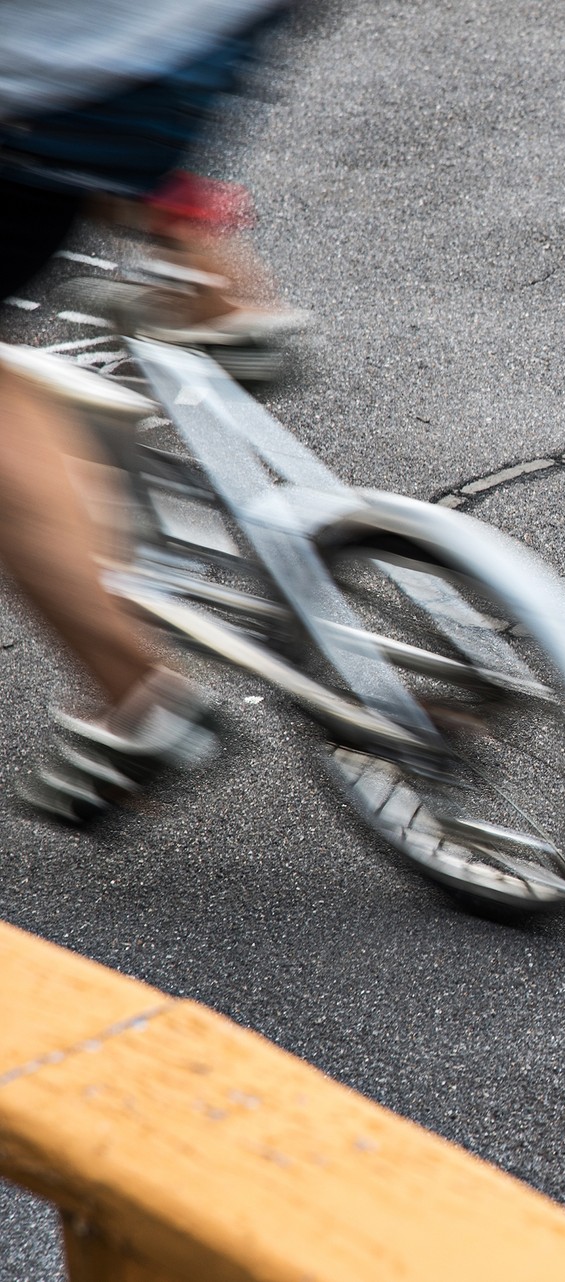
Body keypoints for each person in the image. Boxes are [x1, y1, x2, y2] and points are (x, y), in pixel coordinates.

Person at [1, 0, 301, 822]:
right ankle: (219, 294)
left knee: (55, 107)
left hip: (60, 79)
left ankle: (140, 702)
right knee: (119, 104)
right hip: (214, 26)